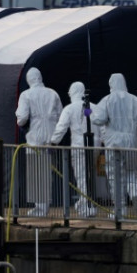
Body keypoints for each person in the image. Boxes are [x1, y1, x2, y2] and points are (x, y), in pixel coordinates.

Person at [91, 73, 137, 216]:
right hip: (130, 139)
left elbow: (98, 119)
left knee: (115, 175)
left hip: (114, 140)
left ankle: (120, 208)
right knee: (131, 171)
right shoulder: (134, 100)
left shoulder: (107, 100)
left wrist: (91, 113)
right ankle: (135, 193)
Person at [15, 67, 63, 217]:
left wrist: (18, 116)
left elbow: (22, 118)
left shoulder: (26, 95)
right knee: (47, 171)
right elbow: (61, 115)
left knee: (35, 171)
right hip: (51, 136)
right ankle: (43, 206)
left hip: (35, 137)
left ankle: (40, 207)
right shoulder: (53, 93)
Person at [50, 81, 101, 218]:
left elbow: (61, 128)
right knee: (90, 176)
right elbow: (102, 126)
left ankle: (87, 207)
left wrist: (53, 143)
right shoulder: (94, 107)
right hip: (94, 145)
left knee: (82, 176)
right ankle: (86, 203)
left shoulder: (69, 108)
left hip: (79, 147)